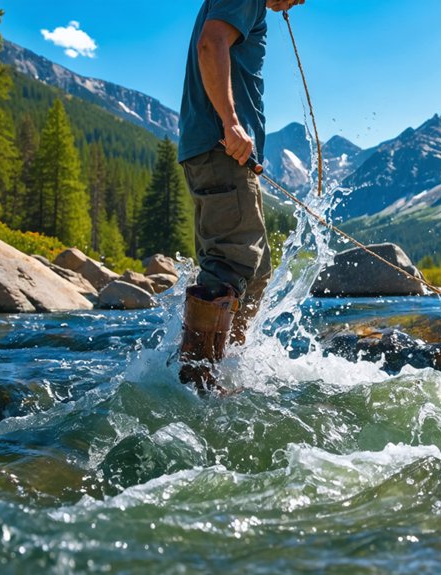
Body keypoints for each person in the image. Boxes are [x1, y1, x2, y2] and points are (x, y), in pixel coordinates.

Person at [177, 0, 305, 390]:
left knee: (255, 271)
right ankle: (197, 388)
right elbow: (210, 42)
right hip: (222, 150)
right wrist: (232, 123)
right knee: (230, 267)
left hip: (224, 154)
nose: (300, 2)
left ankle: (223, 374)